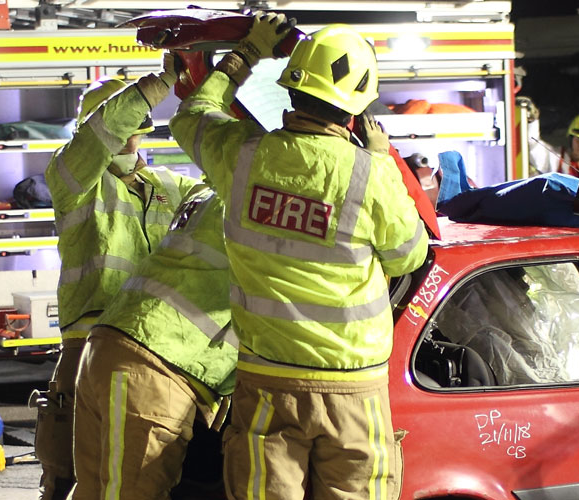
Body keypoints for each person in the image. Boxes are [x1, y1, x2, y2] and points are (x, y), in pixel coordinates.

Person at [169, 14, 429, 500]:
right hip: (353, 388)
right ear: (355, 112)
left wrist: (244, 55)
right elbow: (408, 256)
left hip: (267, 381)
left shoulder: (242, 156)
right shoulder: (368, 174)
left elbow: (189, 116)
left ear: (290, 91)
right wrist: (384, 162)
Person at [36, 61, 198, 500]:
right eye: (122, 129)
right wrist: (161, 83)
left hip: (153, 351)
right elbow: (102, 133)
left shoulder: (170, 185)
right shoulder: (73, 179)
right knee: (66, 468)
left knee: (141, 473)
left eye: (137, 130)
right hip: (86, 344)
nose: (130, 139)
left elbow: (226, 195)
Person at [71, 185, 238, 500]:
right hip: (160, 362)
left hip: (112, 343)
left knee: (94, 491)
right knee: (134, 492)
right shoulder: (259, 206)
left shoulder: (209, 193)